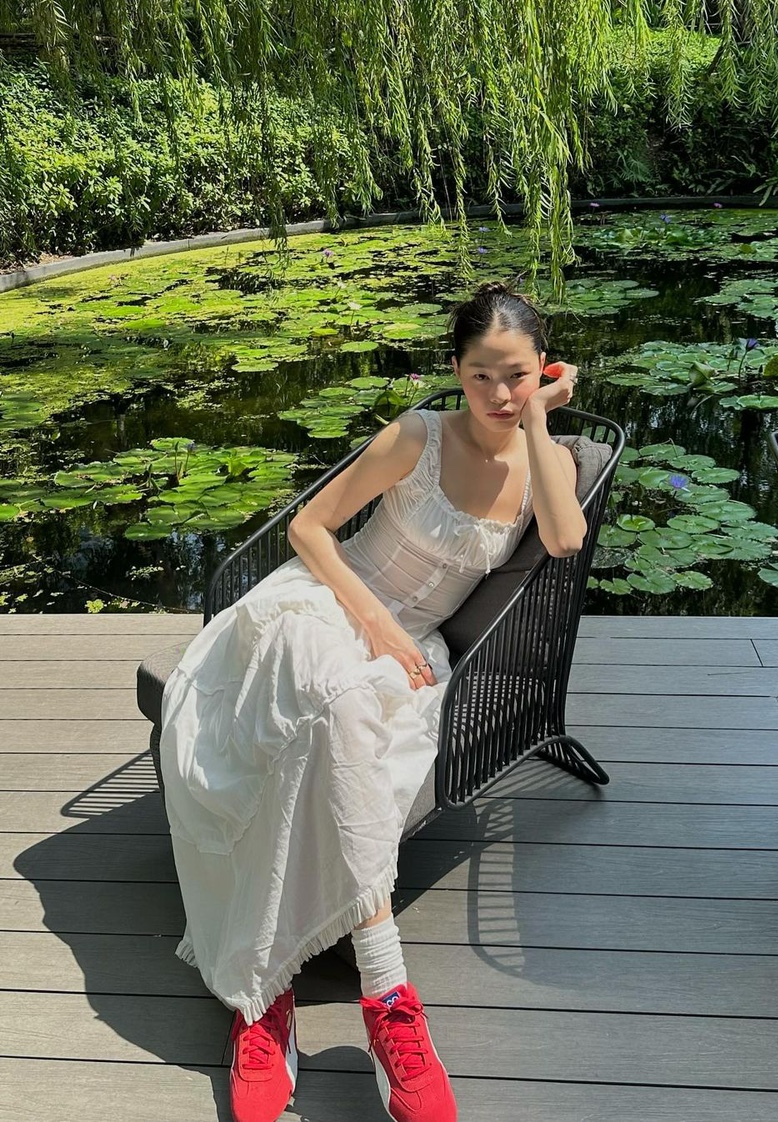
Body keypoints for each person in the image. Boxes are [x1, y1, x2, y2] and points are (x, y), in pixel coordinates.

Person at [158, 279, 587, 1122]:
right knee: (336, 690)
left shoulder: (549, 460)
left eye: (516, 374)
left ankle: (270, 994)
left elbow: (566, 538)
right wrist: (375, 624)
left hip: (412, 647)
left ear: (545, 366)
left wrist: (539, 421)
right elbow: (308, 530)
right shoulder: (416, 438)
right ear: (455, 372)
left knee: (344, 712)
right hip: (326, 604)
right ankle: (376, 995)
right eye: (480, 375)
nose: (499, 394)